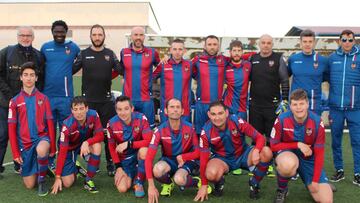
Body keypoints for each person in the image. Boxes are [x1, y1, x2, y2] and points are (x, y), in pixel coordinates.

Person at [194, 101, 273, 201]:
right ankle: (219, 182)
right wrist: (204, 185)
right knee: (210, 173)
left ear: (226, 113)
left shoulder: (236, 121)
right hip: (223, 160)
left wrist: (256, 151)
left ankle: (254, 182)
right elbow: (203, 160)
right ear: (209, 115)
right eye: (213, 114)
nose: (217, 118)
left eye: (220, 113)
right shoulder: (206, 131)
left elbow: (260, 138)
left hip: (244, 155)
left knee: (266, 152)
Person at [73, 24, 122, 177]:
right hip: (88, 102)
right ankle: (89, 161)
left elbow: (122, 69)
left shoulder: (110, 54)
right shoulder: (83, 54)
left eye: (100, 34)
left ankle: (110, 162)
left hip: (106, 101)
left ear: (104, 36)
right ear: (90, 36)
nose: (97, 37)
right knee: (87, 134)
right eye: (94, 35)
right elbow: (69, 70)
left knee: (108, 134)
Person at [270, 89, 333, 203]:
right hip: (288, 155)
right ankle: (282, 190)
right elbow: (273, 146)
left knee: (326, 200)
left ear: (307, 104)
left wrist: (314, 181)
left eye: (301, 104)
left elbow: (319, 153)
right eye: (295, 104)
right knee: (287, 165)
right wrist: (298, 145)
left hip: (308, 159)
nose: (298, 108)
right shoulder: (282, 119)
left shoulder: (317, 122)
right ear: (290, 106)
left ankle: (316, 182)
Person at [146, 98, 210, 203]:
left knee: (179, 179)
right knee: (157, 170)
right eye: (172, 107)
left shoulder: (190, 128)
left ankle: (196, 182)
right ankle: (168, 183)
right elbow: (148, 158)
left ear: (182, 111)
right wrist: (151, 186)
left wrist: (184, 157)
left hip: (187, 160)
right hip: (169, 160)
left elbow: (198, 152)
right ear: (166, 111)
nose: (175, 110)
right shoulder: (159, 130)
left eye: (178, 107)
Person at [0, 26, 45, 174]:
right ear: (17, 36)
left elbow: (41, 79)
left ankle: (19, 164)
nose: (25, 38)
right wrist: (9, 96)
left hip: (30, 104)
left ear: (33, 37)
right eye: (22, 35)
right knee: (4, 133)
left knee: (26, 133)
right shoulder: (7, 52)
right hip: (7, 102)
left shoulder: (38, 55)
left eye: (28, 35)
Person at [8, 62, 55, 196]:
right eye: (26, 75)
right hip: (25, 144)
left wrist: (52, 148)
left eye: (32, 75)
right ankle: (43, 168)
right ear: (21, 78)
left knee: (41, 149)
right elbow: (11, 129)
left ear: (36, 78)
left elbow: (50, 123)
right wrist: (16, 152)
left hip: (41, 138)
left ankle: (42, 181)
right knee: (29, 185)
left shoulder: (43, 98)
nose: (29, 78)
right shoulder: (14, 101)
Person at [249, 34, 289, 176]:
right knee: (256, 136)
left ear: (272, 44)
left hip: (272, 106)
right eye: (263, 42)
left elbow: (284, 80)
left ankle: (270, 164)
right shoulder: (253, 59)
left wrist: (284, 100)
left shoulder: (278, 59)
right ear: (259, 44)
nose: (266, 45)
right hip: (255, 106)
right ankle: (256, 163)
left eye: (269, 43)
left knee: (272, 137)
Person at [50, 96, 103, 194]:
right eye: (75, 109)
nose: (79, 112)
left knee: (97, 146)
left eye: (81, 108)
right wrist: (57, 177)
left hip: (85, 145)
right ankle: (75, 167)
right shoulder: (67, 125)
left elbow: (100, 136)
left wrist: (87, 142)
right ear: (72, 111)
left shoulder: (93, 115)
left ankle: (88, 180)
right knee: (67, 183)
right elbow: (62, 152)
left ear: (86, 108)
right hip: (70, 149)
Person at [327, 29, 360, 186]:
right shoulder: (332, 58)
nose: (347, 43)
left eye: (350, 40)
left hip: (355, 108)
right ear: (339, 41)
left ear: (354, 41)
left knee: (357, 141)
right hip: (335, 109)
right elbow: (324, 77)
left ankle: (358, 173)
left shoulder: (359, 57)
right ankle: (339, 170)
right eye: (344, 40)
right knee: (335, 141)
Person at [107, 95, 152, 198]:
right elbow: (111, 147)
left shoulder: (141, 118)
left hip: (138, 155)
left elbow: (149, 141)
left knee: (144, 151)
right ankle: (136, 173)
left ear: (132, 109)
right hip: (125, 160)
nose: (123, 112)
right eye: (119, 109)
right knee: (122, 188)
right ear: (116, 110)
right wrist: (118, 167)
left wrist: (129, 144)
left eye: (126, 109)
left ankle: (139, 182)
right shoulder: (111, 124)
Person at [119, 26, 160, 128]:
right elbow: (120, 69)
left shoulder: (152, 52)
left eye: (141, 35)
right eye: (135, 35)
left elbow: (161, 68)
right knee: (127, 129)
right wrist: (124, 77)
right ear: (131, 36)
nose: (138, 37)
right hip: (128, 100)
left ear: (144, 37)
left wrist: (152, 77)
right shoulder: (124, 52)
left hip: (146, 99)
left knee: (147, 129)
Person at [192, 35, 228, 135]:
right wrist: (166, 58)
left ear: (218, 46)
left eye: (215, 44)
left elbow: (239, 57)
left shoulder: (224, 60)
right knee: (200, 133)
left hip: (218, 105)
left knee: (218, 134)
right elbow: (184, 65)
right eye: (209, 44)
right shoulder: (197, 60)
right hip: (201, 105)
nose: (212, 47)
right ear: (205, 46)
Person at [287, 29, 328, 115]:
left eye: (310, 41)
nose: (307, 44)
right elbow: (285, 76)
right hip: (296, 103)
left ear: (314, 43)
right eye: (305, 41)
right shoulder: (293, 59)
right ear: (300, 42)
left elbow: (327, 79)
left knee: (313, 128)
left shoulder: (322, 61)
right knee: (294, 128)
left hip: (314, 104)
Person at [153, 39, 192, 123]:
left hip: (184, 108)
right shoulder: (163, 65)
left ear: (184, 51)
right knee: (166, 134)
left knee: (184, 134)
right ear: (170, 50)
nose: (177, 52)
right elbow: (150, 78)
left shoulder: (190, 65)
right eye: (174, 49)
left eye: (180, 49)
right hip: (166, 109)